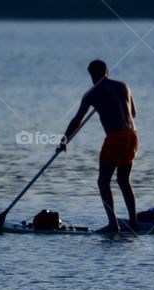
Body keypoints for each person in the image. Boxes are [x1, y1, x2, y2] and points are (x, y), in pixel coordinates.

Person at [58, 60, 138, 233]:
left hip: (116, 138)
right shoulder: (124, 86)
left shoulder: (92, 94)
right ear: (107, 71)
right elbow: (133, 113)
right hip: (132, 136)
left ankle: (113, 225)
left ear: (91, 75)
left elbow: (77, 120)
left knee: (103, 182)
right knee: (124, 180)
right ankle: (134, 223)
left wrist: (64, 141)